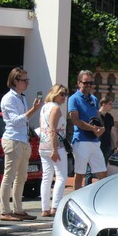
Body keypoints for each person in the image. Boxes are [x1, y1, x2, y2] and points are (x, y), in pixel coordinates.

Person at [0, 66, 41, 222]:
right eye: (24, 80)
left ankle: (18, 209)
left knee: (21, 176)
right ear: (15, 81)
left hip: (22, 140)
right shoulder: (8, 98)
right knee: (9, 176)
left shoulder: (21, 97)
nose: (27, 83)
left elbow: (23, 120)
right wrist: (33, 110)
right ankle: (5, 210)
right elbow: (15, 121)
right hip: (13, 139)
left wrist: (32, 110)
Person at [68, 69, 107, 189]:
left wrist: (102, 128)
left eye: (91, 83)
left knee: (103, 172)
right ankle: (75, 199)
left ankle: (103, 197)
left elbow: (97, 116)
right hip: (81, 140)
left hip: (94, 141)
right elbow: (75, 120)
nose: (89, 85)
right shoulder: (73, 99)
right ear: (79, 83)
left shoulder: (94, 99)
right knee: (80, 173)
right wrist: (93, 129)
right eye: (86, 83)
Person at [38, 84, 69, 218]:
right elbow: (52, 129)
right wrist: (55, 149)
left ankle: (45, 208)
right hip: (55, 146)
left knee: (47, 177)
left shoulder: (44, 107)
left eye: (65, 94)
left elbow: (42, 127)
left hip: (43, 145)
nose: (64, 97)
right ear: (55, 94)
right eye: (62, 94)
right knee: (61, 177)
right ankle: (55, 207)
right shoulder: (55, 108)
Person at [98, 96, 115, 162]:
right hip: (97, 145)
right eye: (110, 104)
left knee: (104, 167)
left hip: (107, 145)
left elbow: (112, 132)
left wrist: (115, 146)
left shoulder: (110, 117)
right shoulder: (96, 115)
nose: (111, 106)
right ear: (103, 104)